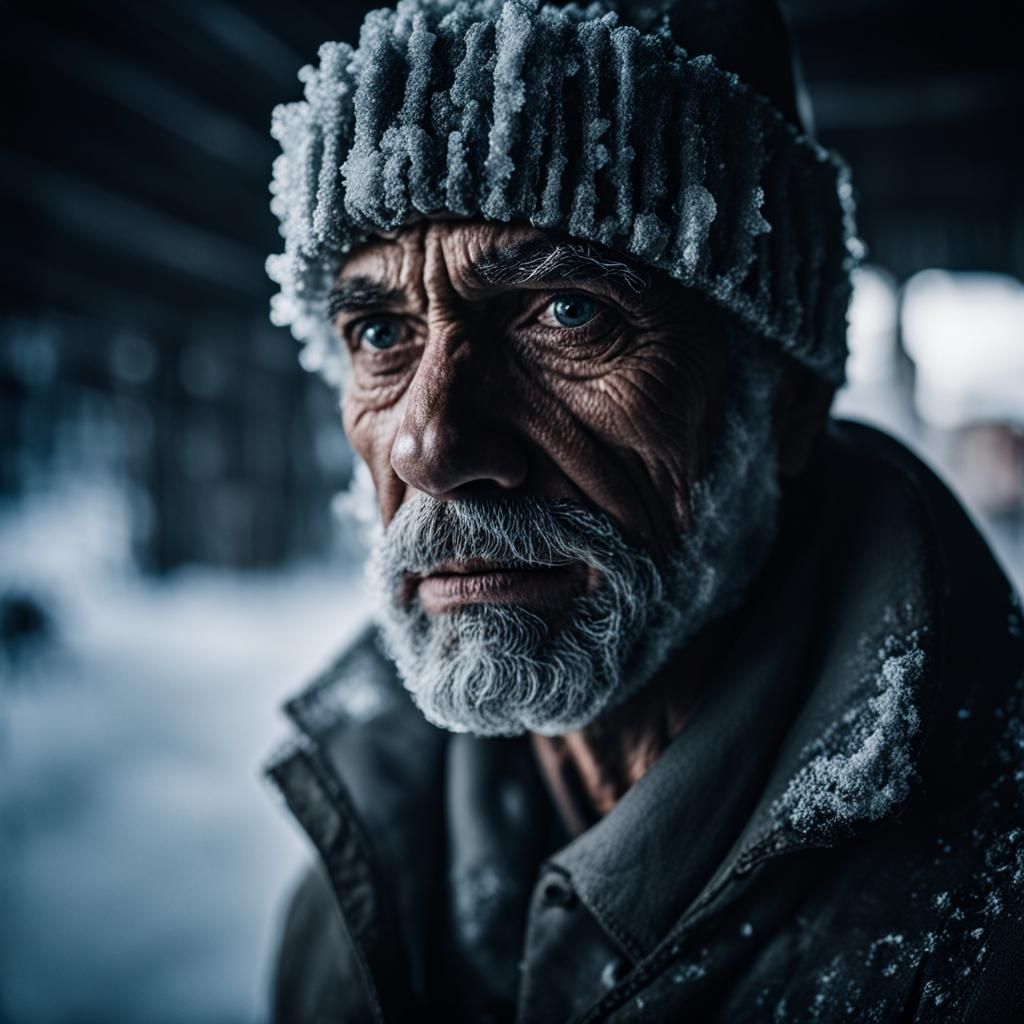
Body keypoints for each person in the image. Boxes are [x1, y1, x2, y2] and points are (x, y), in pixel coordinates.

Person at [262, 1, 1024, 1020]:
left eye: (567, 311)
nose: (431, 446)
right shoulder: (352, 911)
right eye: (379, 331)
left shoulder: (989, 921)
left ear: (785, 399)